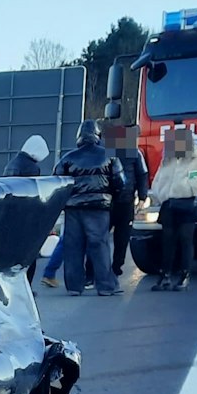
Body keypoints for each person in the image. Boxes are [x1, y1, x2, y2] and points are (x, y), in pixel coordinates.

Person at [52, 124, 126, 297]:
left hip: (73, 208)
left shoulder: (68, 158)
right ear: (97, 135)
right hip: (99, 208)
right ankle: (106, 286)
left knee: (73, 247)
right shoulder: (109, 156)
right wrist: (111, 197)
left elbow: (56, 182)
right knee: (99, 245)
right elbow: (120, 182)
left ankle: (74, 286)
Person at [147, 126, 197, 291]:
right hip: (168, 205)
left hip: (186, 205)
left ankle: (184, 275)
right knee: (167, 242)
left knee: (185, 241)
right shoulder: (168, 159)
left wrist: (189, 187)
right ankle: (165, 275)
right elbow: (158, 179)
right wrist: (157, 194)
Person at [106, 125, 151, 277]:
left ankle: (97, 269)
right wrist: (142, 197)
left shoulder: (108, 152)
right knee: (122, 237)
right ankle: (116, 267)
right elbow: (142, 175)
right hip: (125, 200)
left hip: (109, 200)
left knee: (101, 237)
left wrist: (143, 196)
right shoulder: (134, 153)